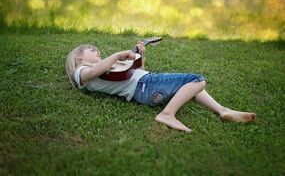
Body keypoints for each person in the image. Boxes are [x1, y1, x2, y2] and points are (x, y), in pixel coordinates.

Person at [65, 41, 256, 132]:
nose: (98, 53)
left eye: (99, 51)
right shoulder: (81, 71)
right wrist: (116, 55)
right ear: (78, 57)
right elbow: (93, 72)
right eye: (92, 51)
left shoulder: (106, 68)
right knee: (197, 79)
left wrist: (141, 55)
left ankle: (223, 110)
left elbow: (133, 72)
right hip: (146, 85)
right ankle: (167, 114)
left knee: (192, 88)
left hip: (145, 89)